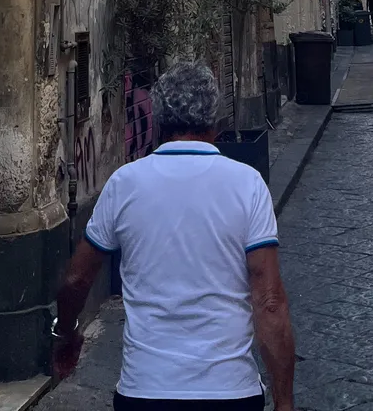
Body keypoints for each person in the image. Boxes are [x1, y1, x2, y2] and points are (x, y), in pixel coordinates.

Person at [51, 61, 296, 411]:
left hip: (146, 390)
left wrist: (67, 333)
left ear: (158, 120)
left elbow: (76, 278)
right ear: (215, 121)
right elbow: (269, 303)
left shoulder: (124, 184)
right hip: (229, 392)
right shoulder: (248, 185)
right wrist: (284, 403)